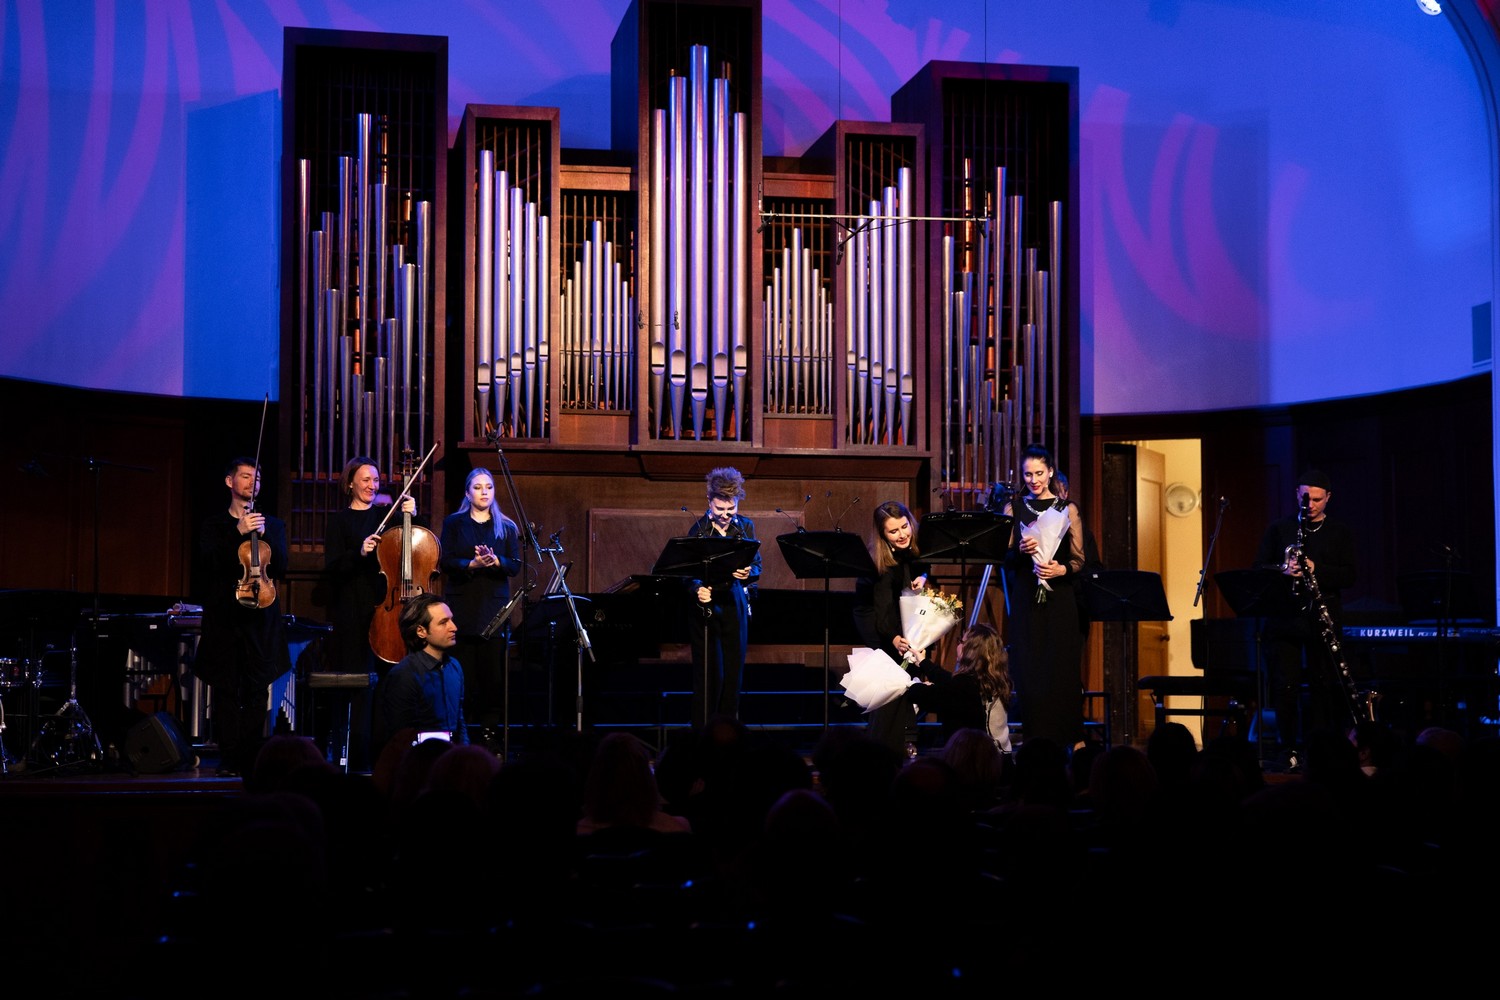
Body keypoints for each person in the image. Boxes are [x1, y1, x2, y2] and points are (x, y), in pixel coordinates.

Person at [191, 457, 292, 777]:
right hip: (225, 618)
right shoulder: (214, 525)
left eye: (257, 478)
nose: (253, 482)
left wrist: (266, 535)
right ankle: (229, 757)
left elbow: (282, 566)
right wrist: (238, 532)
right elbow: (208, 564)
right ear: (229, 481)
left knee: (257, 690)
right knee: (225, 690)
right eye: (246, 476)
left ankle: (249, 757)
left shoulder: (272, 524)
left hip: (261, 617)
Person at [321, 456, 421, 769]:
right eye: (365, 480)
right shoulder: (339, 521)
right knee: (358, 687)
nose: (371, 485)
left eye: (376, 480)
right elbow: (332, 567)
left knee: (388, 687)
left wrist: (412, 516)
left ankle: (386, 756)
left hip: (387, 612)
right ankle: (355, 756)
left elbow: (411, 547)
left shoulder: (384, 516)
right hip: (353, 613)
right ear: (350, 483)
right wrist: (359, 553)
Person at [1252, 469, 1357, 767]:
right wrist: (1283, 570)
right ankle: (1287, 749)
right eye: (1305, 498)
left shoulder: (1339, 532)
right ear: (1296, 495)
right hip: (1285, 617)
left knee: (1322, 684)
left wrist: (1315, 568)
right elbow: (1259, 567)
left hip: (1322, 618)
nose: (1310, 505)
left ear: (1328, 498)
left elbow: (1349, 575)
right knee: (1285, 685)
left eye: (1317, 499)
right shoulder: (1279, 528)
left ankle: (1320, 750)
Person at [1002, 442, 1086, 751]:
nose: (1034, 480)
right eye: (1028, 474)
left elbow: (1079, 560)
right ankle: (1036, 743)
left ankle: (1072, 744)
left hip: (1060, 599)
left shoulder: (1067, 508)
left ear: (1050, 472)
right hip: (1027, 597)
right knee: (1030, 670)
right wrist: (1019, 550)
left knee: (1062, 670)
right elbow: (1004, 559)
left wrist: (1061, 569)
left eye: (1039, 473)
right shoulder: (1014, 507)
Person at [439, 468, 523, 732]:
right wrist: (471, 564)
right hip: (463, 607)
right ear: (467, 493)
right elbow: (445, 561)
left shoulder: (506, 526)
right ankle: (461, 730)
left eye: (488, 487)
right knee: (464, 675)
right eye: (477, 487)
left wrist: (496, 560)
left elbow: (515, 565)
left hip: (492, 609)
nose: (484, 492)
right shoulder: (454, 523)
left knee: (492, 677)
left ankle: (489, 732)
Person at [852, 499, 930, 756]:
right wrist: (894, 637)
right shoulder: (880, 563)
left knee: (910, 674)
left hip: (900, 616)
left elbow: (923, 565)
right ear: (883, 535)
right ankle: (889, 742)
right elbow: (882, 609)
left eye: (904, 527)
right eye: (893, 531)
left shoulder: (913, 546)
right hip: (876, 623)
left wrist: (923, 577)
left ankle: (907, 738)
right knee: (893, 680)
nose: (902, 534)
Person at [685, 467, 761, 725]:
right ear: (709, 501)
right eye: (720, 509)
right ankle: (702, 734)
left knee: (732, 676)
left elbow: (757, 565)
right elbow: (686, 573)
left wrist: (748, 572)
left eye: (731, 509)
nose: (726, 515)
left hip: (734, 603)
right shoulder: (698, 530)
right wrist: (697, 588)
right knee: (709, 677)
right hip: (707, 607)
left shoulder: (746, 526)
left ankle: (728, 735)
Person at [372, 592, 468, 761]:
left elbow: (459, 723)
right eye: (443, 622)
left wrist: (465, 757)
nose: (454, 627)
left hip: (450, 761)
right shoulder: (404, 674)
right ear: (421, 631)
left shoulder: (454, 667)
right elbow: (401, 735)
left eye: (451, 620)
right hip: (419, 763)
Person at [910, 622, 1013, 752]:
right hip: (1001, 757)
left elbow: (922, 695)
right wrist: (923, 662)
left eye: (961, 642)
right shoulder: (995, 679)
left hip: (979, 760)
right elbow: (951, 681)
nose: (958, 645)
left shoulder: (965, 685)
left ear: (970, 650)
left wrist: (914, 685)